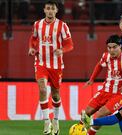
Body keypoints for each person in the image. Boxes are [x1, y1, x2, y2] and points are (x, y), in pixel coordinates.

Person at [81, 34, 122, 135]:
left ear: (120, 46)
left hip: (121, 93)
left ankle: (89, 134)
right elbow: (99, 65)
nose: (111, 50)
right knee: (86, 112)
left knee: (101, 114)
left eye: (114, 47)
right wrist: (92, 79)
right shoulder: (106, 56)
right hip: (106, 90)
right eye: (109, 47)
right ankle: (79, 131)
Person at [28, 1, 74, 135]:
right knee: (42, 88)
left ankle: (56, 119)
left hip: (56, 65)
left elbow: (70, 44)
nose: (50, 11)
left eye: (52, 9)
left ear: (56, 11)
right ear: (44, 10)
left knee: (55, 94)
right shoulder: (37, 24)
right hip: (41, 62)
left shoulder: (62, 25)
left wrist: (62, 50)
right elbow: (33, 38)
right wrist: (31, 47)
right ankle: (46, 121)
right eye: (48, 8)